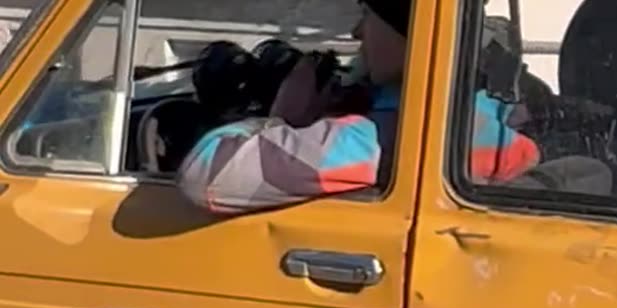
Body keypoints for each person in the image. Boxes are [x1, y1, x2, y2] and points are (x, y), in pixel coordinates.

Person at [178, 0, 541, 215]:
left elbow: (206, 176)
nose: (357, 32)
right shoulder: (493, 117)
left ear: (409, 32)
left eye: (368, 14)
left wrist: (283, 117)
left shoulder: (382, 140)